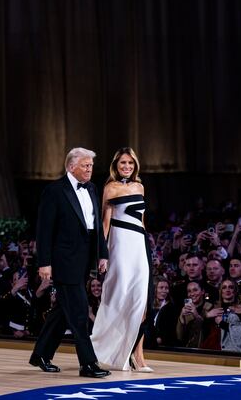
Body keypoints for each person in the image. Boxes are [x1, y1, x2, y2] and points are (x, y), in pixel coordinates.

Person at [29, 147, 110, 378]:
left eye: (91, 165)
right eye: (85, 165)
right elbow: (44, 230)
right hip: (63, 262)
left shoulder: (92, 188)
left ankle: (41, 355)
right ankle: (88, 363)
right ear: (71, 166)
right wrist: (44, 263)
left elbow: (96, 229)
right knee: (78, 312)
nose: (90, 169)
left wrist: (101, 254)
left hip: (84, 261)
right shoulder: (54, 191)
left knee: (62, 311)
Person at [91, 147, 153, 371]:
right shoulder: (110, 188)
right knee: (118, 298)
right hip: (120, 247)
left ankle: (135, 355)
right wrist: (102, 254)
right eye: (122, 164)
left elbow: (142, 221)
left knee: (140, 301)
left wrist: (146, 247)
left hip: (139, 246)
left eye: (130, 163)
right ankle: (104, 350)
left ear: (135, 165)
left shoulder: (140, 186)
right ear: (116, 166)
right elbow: (105, 224)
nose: (126, 167)